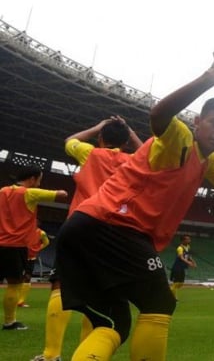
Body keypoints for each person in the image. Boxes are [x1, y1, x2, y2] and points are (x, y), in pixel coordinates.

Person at [55, 47, 214, 361]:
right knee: (160, 303)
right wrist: (209, 78)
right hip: (114, 226)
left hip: (86, 227)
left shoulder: (210, 160)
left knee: (113, 322)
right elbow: (158, 115)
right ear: (197, 121)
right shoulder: (180, 138)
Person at [32, 116, 141, 361]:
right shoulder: (135, 161)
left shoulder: (91, 153)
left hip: (81, 224)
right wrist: (130, 130)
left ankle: (51, 355)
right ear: (125, 143)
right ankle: (86, 352)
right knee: (98, 295)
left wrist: (98, 126)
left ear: (101, 138)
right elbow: (149, 153)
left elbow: (70, 141)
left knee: (61, 286)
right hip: (116, 231)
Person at [0, 165, 68, 331]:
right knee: (14, 284)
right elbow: (62, 195)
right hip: (16, 245)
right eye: (39, 180)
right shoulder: (29, 193)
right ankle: (10, 322)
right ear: (32, 178)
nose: (38, 184)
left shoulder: (2, 191)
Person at [17, 228, 50, 308]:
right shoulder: (22, 230)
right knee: (15, 277)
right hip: (19, 256)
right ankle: (14, 298)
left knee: (27, 277)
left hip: (31, 258)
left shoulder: (41, 233)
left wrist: (37, 249)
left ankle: (20, 301)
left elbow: (47, 242)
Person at [169, 235, 197, 300]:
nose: (189, 240)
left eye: (189, 239)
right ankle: (173, 297)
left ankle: (171, 290)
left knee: (181, 283)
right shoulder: (180, 248)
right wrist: (189, 263)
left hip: (182, 267)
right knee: (176, 283)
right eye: (187, 239)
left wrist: (193, 262)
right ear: (183, 240)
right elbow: (181, 258)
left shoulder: (188, 247)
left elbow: (189, 256)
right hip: (177, 267)